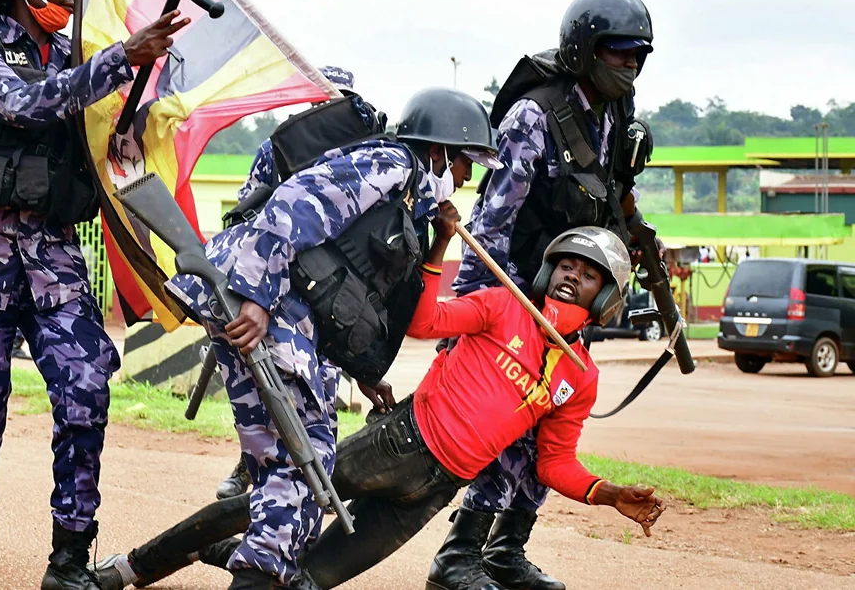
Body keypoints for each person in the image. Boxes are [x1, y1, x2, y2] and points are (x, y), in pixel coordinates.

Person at [93, 218, 665, 590]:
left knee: (306, 581)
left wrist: (607, 494)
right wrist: (440, 246)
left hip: (434, 491)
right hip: (399, 442)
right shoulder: (502, 305)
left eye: (589, 275)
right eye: (567, 263)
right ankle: (130, 568)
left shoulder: (579, 377)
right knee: (267, 503)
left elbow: (552, 465)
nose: (572, 275)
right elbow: (425, 321)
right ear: (548, 268)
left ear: (608, 297)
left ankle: (220, 553)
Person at [99, 88, 502, 589]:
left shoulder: (409, 198)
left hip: (283, 312)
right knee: (301, 466)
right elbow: (295, 203)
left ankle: (192, 569)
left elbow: (348, 286)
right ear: (439, 149)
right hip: (264, 302)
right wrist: (258, 297)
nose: (466, 178)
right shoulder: (392, 162)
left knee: (293, 466)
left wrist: (363, 373)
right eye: (465, 163)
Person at [0, 0, 188, 590]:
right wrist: (118, 58)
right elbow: (22, 105)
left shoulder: (76, 52)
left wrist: (139, 102)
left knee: (86, 390)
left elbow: (106, 131)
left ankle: (69, 558)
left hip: (52, 259)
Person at [442, 0, 656, 590]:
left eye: (639, 53)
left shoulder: (616, 116)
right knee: (510, 426)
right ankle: (457, 557)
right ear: (585, 50)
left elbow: (611, 194)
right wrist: (470, 319)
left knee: (551, 423)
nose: (630, 63)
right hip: (519, 301)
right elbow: (492, 225)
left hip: (573, 307)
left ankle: (506, 551)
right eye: (618, 51)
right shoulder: (534, 116)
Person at [213, 65, 397, 502]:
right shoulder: (277, 150)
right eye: (319, 102)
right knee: (269, 390)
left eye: (336, 102)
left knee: (321, 392)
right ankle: (255, 471)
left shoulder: (363, 160)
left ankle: (312, 483)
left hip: (334, 296)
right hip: (279, 286)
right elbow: (249, 214)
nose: (326, 110)